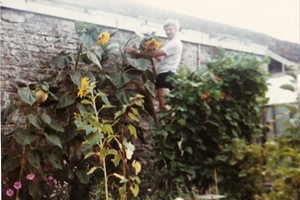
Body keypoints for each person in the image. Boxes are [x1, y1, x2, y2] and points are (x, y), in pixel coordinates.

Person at [124, 19, 183, 111]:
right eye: (166, 30)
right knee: (162, 105)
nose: (168, 32)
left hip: (165, 75)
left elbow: (156, 54)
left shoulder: (175, 43)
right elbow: (160, 58)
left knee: (165, 106)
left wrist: (137, 51)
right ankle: (167, 124)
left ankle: (170, 125)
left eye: (170, 29)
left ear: (176, 29)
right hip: (167, 74)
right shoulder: (171, 43)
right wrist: (150, 50)